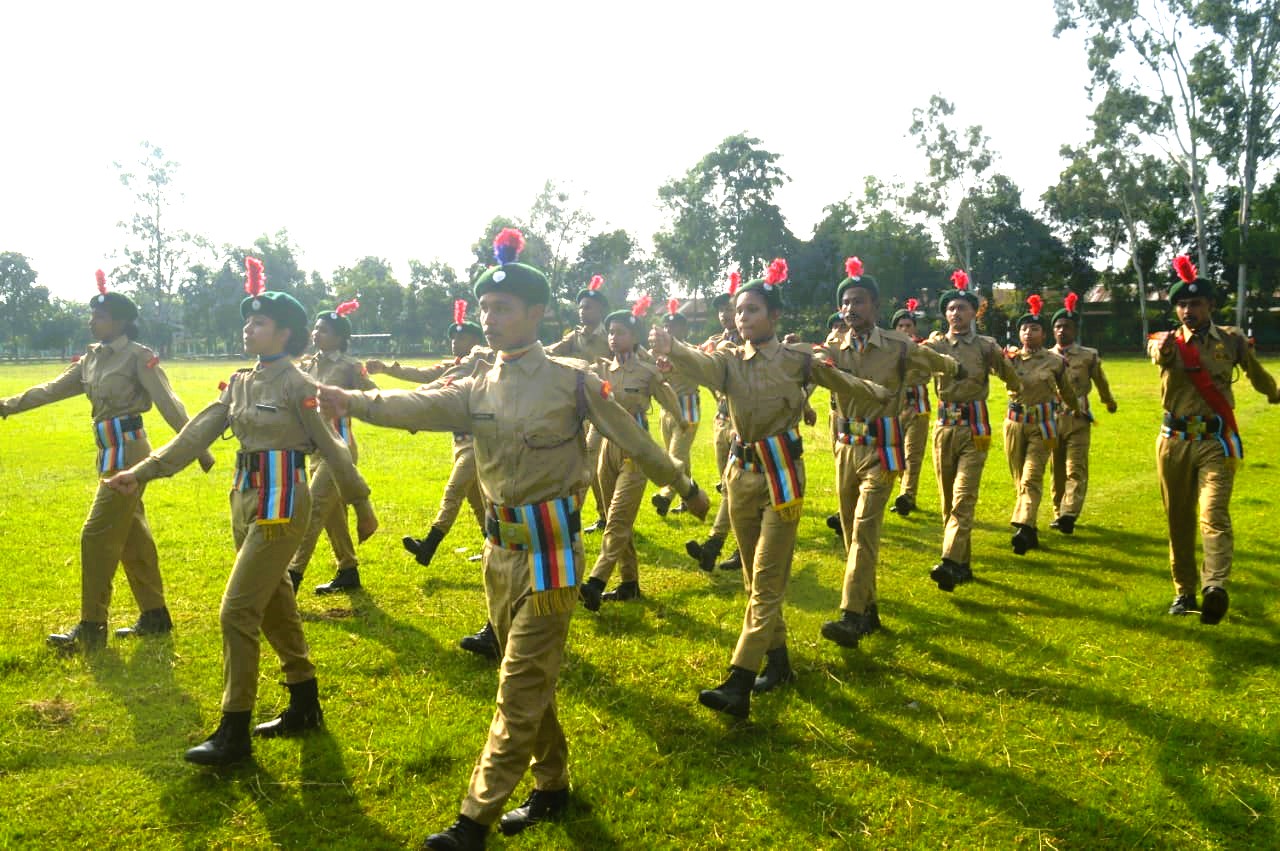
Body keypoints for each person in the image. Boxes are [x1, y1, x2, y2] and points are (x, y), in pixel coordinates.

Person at [316, 229, 708, 850]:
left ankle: (473, 821)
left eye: (502, 308)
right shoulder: (476, 384)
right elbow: (415, 404)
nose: (489, 318)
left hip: (553, 551)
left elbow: (633, 441)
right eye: (484, 308)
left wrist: (683, 485)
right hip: (498, 554)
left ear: (535, 313)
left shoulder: (573, 380)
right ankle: (552, 787)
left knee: (517, 684)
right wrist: (353, 399)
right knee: (524, 675)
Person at [103, 258, 378, 766]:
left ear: (286, 333)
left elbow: (333, 448)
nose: (248, 327)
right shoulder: (240, 382)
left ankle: (234, 731)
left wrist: (360, 503)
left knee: (236, 611)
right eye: (247, 321)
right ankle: (304, 700)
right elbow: (195, 435)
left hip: (282, 502)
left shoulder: (299, 385)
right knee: (274, 602)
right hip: (245, 498)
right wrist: (139, 473)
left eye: (260, 322)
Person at [651, 258, 890, 720]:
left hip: (782, 475)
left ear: (774, 316)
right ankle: (778, 663)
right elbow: (698, 364)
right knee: (751, 577)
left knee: (766, 578)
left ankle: (739, 680)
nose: (743, 319)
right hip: (740, 477)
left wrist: (879, 394)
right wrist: (672, 346)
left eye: (753, 311)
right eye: (740, 311)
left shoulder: (798, 360)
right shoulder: (726, 363)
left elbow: (840, 380)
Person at [0, 270, 214, 651]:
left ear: (118, 321)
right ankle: (155, 616)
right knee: (132, 537)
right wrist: (6, 406)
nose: (91, 321)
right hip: (106, 449)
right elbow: (51, 390)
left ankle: (92, 626)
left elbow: (169, 403)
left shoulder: (138, 357)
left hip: (130, 451)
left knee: (96, 534)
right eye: (92, 316)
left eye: (99, 317)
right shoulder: (91, 359)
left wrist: (200, 447)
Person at [818, 259, 957, 648]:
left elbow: (935, 361)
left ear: (875, 307)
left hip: (882, 449)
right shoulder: (832, 348)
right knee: (850, 533)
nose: (850, 309)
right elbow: (806, 365)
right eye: (845, 302)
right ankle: (870, 610)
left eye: (858, 302)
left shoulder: (898, 346)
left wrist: (955, 367)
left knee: (864, 528)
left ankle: (849, 615)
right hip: (846, 449)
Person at [1149, 256, 1279, 624]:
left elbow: (1256, 373)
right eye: (1182, 304)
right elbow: (1157, 353)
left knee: (1213, 512)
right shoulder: (1167, 341)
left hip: (1215, 442)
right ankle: (1184, 592)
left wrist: (1274, 393)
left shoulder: (1232, 340)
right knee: (1179, 519)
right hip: (1174, 441)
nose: (1188, 310)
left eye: (1195, 303)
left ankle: (1215, 586)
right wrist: (1164, 351)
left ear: (1210, 306)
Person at [579, 296, 688, 606]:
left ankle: (596, 581)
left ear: (635, 336)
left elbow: (667, 396)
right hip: (606, 448)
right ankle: (629, 584)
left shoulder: (647, 371)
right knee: (612, 515)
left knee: (617, 520)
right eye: (611, 332)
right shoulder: (601, 369)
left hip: (636, 451)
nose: (614, 337)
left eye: (621, 332)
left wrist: (681, 421)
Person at [921, 271, 1021, 591]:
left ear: (973, 312)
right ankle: (962, 566)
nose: (956, 313)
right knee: (948, 499)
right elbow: (913, 364)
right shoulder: (935, 344)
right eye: (950, 309)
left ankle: (949, 560)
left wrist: (1020, 392)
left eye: (962, 308)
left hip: (974, 429)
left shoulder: (985, 346)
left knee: (964, 498)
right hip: (943, 428)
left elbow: (1010, 376)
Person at [384, 302, 490, 569]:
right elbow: (424, 375)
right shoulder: (453, 365)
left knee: (453, 491)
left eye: (462, 336)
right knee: (476, 500)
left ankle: (429, 544)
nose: (456, 341)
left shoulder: (483, 362)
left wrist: (413, 405)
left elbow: (439, 385)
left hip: (480, 440)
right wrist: (391, 371)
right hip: (460, 441)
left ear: (476, 340)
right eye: (453, 336)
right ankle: (493, 546)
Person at [287, 300, 379, 595]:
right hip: (313, 449)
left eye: (324, 330)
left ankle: (292, 577)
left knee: (312, 510)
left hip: (338, 448)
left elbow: (375, 395)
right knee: (333, 513)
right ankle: (348, 568)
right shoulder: (307, 365)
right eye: (315, 329)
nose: (316, 334)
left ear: (340, 337)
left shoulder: (351, 367)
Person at [1003, 296, 1077, 555]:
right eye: (1024, 329)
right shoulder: (1010, 358)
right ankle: (1030, 528)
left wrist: (1075, 409)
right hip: (1014, 424)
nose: (1028, 333)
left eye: (1034, 329)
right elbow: (992, 371)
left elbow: (1066, 391)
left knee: (1031, 476)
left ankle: (1023, 526)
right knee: (1018, 478)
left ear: (1043, 334)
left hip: (1043, 426)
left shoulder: (1054, 361)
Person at [685, 274, 744, 572]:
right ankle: (732, 546)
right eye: (721, 309)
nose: (725, 314)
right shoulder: (714, 342)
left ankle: (716, 544)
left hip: (745, 422)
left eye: (730, 308)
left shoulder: (750, 341)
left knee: (735, 483)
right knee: (727, 484)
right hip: (722, 419)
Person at [547, 274, 612, 533]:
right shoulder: (574, 337)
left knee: (592, 461)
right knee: (587, 464)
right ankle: (604, 514)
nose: (584, 311)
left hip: (602, 408)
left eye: (589, 307)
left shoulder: (610, 337)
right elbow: (552, 351)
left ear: (601, 310)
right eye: (581, 307)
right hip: (577, 409)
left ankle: (574, 518)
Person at [1049, 292, 1117, 534]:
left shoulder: (1088, 355)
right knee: (1056, 470)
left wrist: (1108, 401)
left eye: (1066, 326)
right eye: (1057, 326)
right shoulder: (1046, 357)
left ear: (1075, 330)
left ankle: (1070, 513)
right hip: (1052, 420)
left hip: (1079, 418)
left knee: (1075, 468)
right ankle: (1059, 512)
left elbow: (1101, 381)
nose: (1061, 331)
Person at [650, 300, 701, 517]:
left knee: (674, 457)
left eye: (674, 327)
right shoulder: (657, 355)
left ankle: (665, 496)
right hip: (666, 411)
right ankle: (690, 499)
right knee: (683, 458)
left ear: (684, 329)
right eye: (666, 327)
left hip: (687, 409)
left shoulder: (690, 352)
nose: (669, 330)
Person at [889, 298, 931, 517]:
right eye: (900, 326)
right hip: (895, 409)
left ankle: (907, 495)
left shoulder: (924, 348)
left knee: (912, 454)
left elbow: (927, 373)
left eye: (908, 325)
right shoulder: (887, 350)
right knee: (896, 453)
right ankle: (903, 492)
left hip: (918, 407)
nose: (905, 329)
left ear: (915, 328)